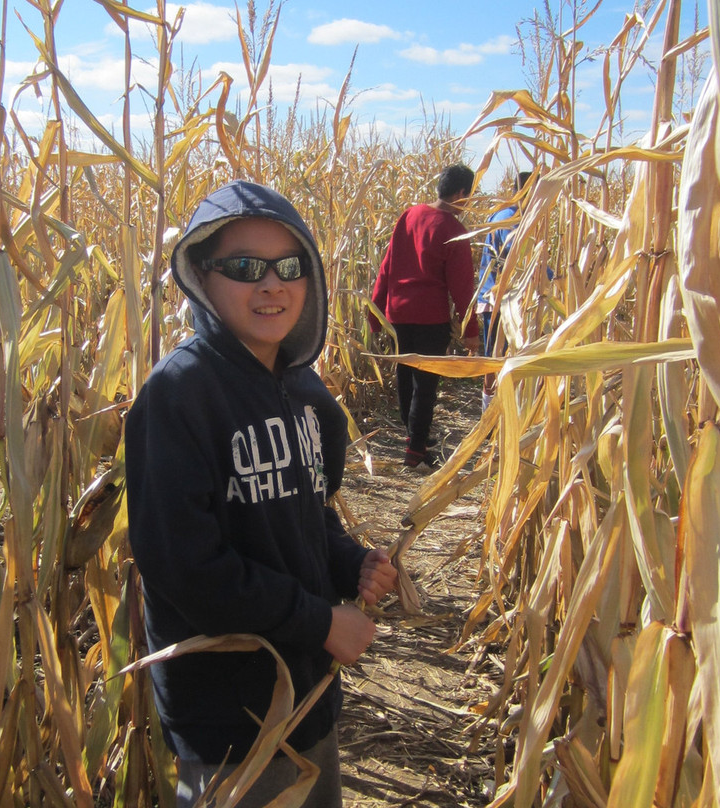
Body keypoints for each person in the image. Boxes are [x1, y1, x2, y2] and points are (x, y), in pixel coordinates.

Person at [125, 180, 398, 808]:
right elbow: (186, 568)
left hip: (307, 695)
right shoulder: (179, 397)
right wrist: (323, 622)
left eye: (289, 267)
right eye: (246, 268)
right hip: (229, 721)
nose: (271, 285)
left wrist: (349, 560)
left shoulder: (305, 395)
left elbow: (306, 514)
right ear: (201, 274)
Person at [368, 164, 480, 470]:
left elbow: (387, 266)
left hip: (399, 312)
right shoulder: (454, 230)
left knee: (406, 378)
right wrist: (471, 328)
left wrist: (374, 311)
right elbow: (462, 286)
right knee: (426, 384)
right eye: (468, 196)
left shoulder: (410, 215)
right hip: (430, 316)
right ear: (460, 193)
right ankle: (415, 452)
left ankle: (415, 440)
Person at [476, 170, 532, 410]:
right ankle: (492, 413)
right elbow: (519, 261)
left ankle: (493, 409)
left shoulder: (502, 215)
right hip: (501, 301)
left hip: (494, 297)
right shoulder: (511, 221)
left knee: (495, 355)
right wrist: (552, 278)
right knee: (497, 357)